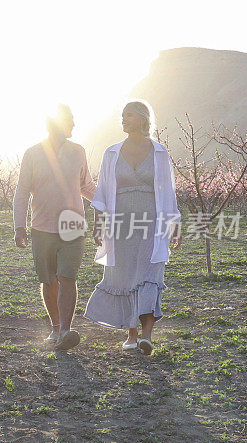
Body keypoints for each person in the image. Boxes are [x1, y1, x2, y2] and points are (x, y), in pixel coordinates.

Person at [84, 100, 182, 355]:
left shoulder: (160, 152)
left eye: (128, 115)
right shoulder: (111, 153)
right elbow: (102, 192)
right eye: (122, 116)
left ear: (142, 119)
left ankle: (147, 335)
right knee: (126, 276)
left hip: (152, 223)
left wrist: (175, 224)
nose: (123, 120)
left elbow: (169, 192)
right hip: (121, 225)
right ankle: (131, 333)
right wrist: (98, 223)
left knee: (150, 275)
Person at [13, 104, 96, 351]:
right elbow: (21, 192)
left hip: (73, 224)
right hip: (42, 227)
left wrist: (109, 202)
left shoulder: (78, 151)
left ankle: (66, 331)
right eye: (70, 120)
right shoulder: (33, 153)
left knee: (67, 277)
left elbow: (86, 186)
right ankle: (56, 327)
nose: (74, 124)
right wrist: (19, 227)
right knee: (49, 281)